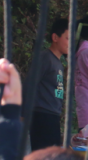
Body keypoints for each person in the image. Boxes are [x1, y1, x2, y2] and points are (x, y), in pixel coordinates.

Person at [28, 18, 70, 150]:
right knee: (44, 156)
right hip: (42, 115)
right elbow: (30, 84)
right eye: (68, 38)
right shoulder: (45, 58)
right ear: (55, 37)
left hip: (53, 116)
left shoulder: (58, 63)